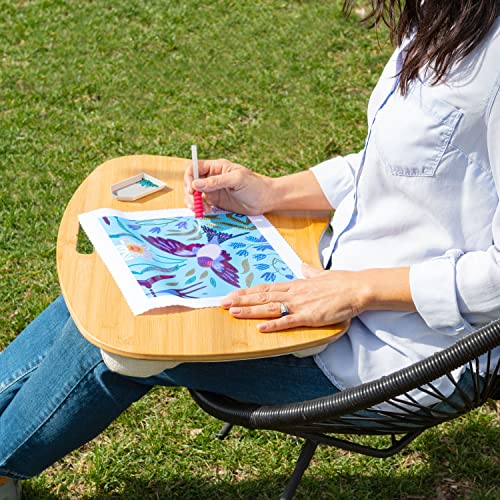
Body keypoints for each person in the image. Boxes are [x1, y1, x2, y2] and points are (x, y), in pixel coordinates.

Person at [1, 0, 499, 497]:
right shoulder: (441, 16)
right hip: (324, 284)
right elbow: (392, 166)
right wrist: (272, 192)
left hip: (398, 356)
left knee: (116, 341)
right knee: (114, 288)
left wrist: (357, 290)